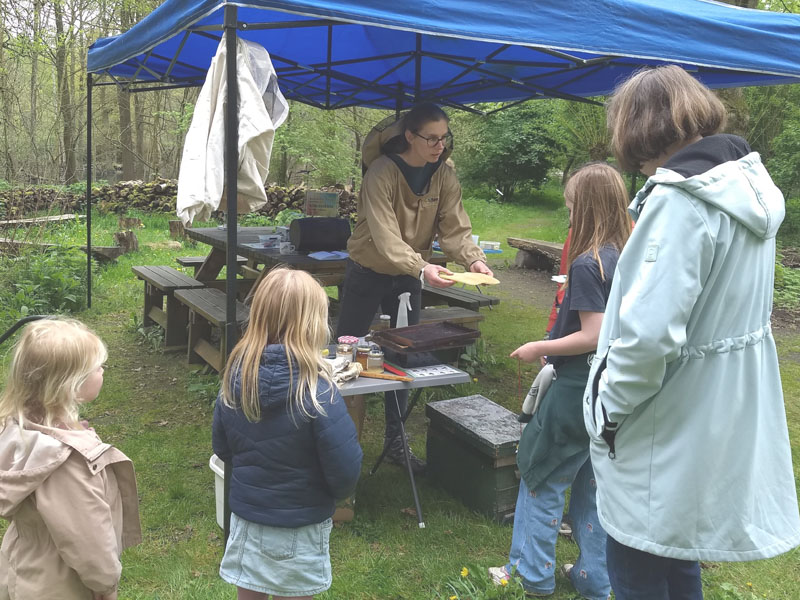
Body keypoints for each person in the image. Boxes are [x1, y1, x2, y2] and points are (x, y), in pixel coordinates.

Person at [585, 65, 800, 600]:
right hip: (711, 408)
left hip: (667, 410)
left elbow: (649, 337)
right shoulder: (741, 187)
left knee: (638, 554)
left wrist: (607, 411)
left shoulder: (683, 201)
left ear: (636, 130)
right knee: (675, 546)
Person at [490, 162, 631, 600]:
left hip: (577, 390)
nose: (568, 215)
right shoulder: (625, 256)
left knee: (541, 475)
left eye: (571, 206)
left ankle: (531, 576)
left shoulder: (589, 265)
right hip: (613, 392)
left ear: (587, 208)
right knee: (592, 486)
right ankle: (594, 578)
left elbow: (594, 334)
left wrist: (540, 347)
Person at [336, 102, 493, 472]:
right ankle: (337, 441)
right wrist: (423, 269)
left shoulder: (444, 175)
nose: (440, 146)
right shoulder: (381, 173)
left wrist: (472, 259)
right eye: (431, 139)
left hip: (410, 276)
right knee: (345, 355)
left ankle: (396, 441)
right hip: (368, 270)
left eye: (444, 138)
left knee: (406, 355)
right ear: (410, 136)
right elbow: (386, 237)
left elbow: (454, 229)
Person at [213, 268, 363, 600]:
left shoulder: (235, 381)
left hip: (247, 519)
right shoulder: (319, 392)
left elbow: (223, 448)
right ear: (315, 324)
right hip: (301, 522)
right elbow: (345, 470)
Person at [0, 318, 141, 600]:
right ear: (71, 385)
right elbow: (86, 538)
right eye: (97, 367)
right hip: (62, 585)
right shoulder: (65, 462)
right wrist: (105, 582)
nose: (103, 371)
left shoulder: (21, 432)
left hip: (23, 568)